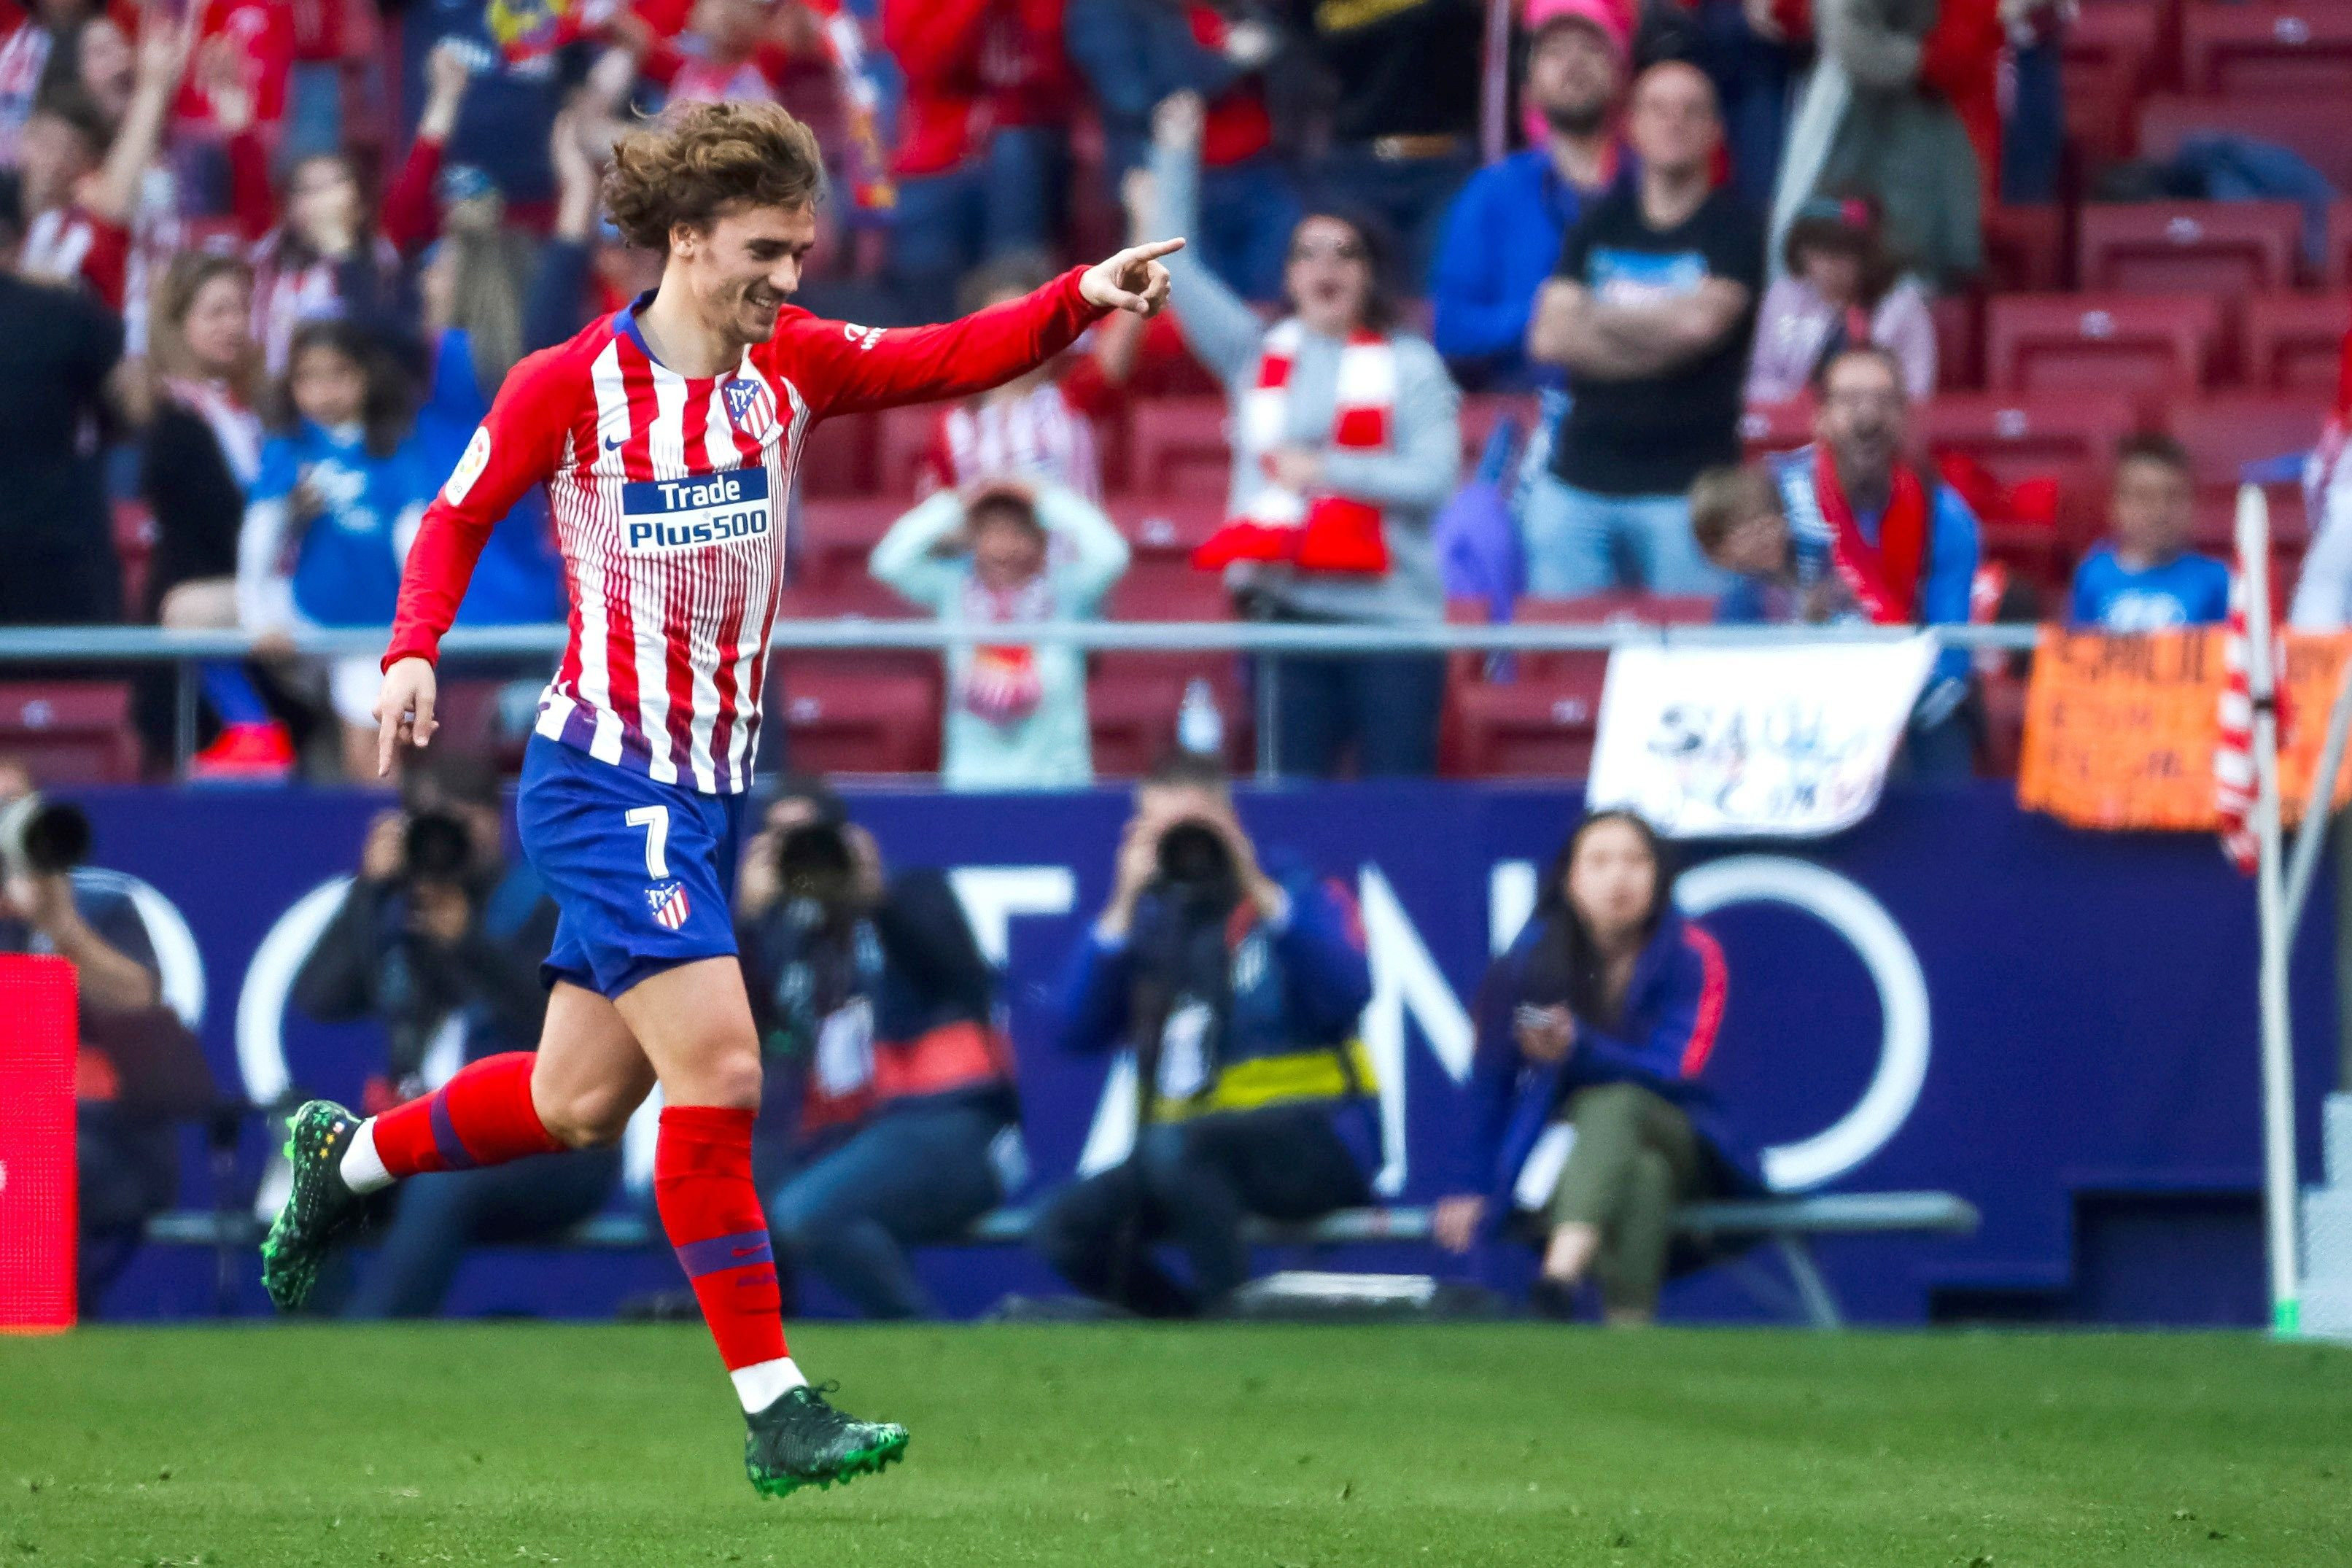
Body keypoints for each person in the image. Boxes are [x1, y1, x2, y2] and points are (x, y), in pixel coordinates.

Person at [255, 98, 1180, 1497]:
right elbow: (452, 515)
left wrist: (1077, 299)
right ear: (684, 241)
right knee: (727, 1069)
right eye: (765, 249)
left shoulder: (790, 365)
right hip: (603, 771)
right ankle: (775, 1403)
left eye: (801, 251)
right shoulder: (568, 385)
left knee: (576, 1103)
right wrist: (408, 653)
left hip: (709, 791)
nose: (790, 279)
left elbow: (944, 357)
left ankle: (350, 1159)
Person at [1149, 90, 1461, 778]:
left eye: (1344, 253)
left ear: (1369, 272)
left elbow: (1433, 481)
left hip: (1395, 628)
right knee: (1289, 813)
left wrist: (1326, 470)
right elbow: (1173, 266)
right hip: (1286, 618)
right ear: (1289, 274)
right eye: (1309, 253)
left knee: (1397, 814)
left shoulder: (1413, 366)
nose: (1327, 267)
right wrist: (1176, 152)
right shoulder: (1253, 354)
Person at [1033, 751, 1378, 1317]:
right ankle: (1192, 1329)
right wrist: (1121, 902)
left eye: (1195, 830)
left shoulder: (1298, 889)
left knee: (1176, 1150)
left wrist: (1255, 885)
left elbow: (1349, 989)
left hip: (1315, 1139)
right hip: (1189, 1161)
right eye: (1162, 833)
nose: (1185, 848)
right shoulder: (1151, 924)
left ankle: (1228, 1325)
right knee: (1061, 1229)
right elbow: (1074, 1032)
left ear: (1233, 823)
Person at [292, 753, 617, 1318]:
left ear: (495, 822)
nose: (443, 844)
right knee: (319, 1179)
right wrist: (367, 891)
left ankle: (370, 1352)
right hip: (431, 1132)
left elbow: (563, 1023)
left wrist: (469, 942)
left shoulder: (546, 902)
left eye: (459, 825)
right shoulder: (401, 912)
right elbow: (319, 1000)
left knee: (441, 1182)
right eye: (429, 826)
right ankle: (325, 1345)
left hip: (551, 1145)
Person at [1432, 810, 1756, 1324]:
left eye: (1635, 861)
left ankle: (1557, 1280)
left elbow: (1674, 1071)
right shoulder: (1528, 959)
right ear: (1569, 879)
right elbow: (1489, 1078)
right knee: (1644, 1178)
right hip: (1570, 1154)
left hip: (1679, 1135)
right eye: (1599, 862)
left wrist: (1576, 1047)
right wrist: (1471, 1183)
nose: (1618, 878)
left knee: (1615, 1102)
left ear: (1660, 876)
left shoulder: (1693, 954)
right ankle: (1628, 1333)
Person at [735, 783, 1022, 1319]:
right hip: (848, 1136)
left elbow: (964, 980)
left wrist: (874, 897)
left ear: (849, 838)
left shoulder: (912, 894)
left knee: (802, 1212)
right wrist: (748, 924)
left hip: (949, 1123)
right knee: (723, 1193)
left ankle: (931, 1342)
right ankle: (770, 1359)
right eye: (781, 842)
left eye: (812, 839)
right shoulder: (788, 936)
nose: (802, 855)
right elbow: (751, 1032)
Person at [1525, 62, 1762, 598]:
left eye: (1690, 110)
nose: (1673, 122)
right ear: (1631, 125)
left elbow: (1701, 326)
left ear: (1714, 130)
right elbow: (1549, 339)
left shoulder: (1738, 230)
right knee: (1562, 664)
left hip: (1688, 492)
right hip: (1576, 485)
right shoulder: (1598, 224)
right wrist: (1665, 331)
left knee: (1693, 671)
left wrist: (1595, 316)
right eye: (1657, 108)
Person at [0, 756, 182, 1311]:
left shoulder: (103, 908)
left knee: (48, 1159)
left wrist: (61, 927)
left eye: (14, 806)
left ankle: (48, 1332)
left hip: (104, 1138)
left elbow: (137, 1000)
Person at [1763, 344, 1982, 773]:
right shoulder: (1775, 498)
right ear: (1819, 416)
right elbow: (1740, 620)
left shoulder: (1946, 516)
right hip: (1793, 695)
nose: (1868, 419)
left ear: (1905, 416)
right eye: (1849, 401)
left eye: (1883, 402)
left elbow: (1950, 652)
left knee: (1949, 734)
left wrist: (1880, 711)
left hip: (1907, 700)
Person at [236, 319, 438, 780]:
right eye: (308, 377)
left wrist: (417, 629)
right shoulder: (288, 447)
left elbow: (415, 542)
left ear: (366, 377)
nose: (323, 390)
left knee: (373, 759)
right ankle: (247, 728)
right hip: (304, 617)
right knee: (188, 613)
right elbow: (259, 538)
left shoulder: (394, 448)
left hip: (372, 631)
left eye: (338, 374)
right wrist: (259, 618)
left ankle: (386, 844)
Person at [871, 478, 1130, 790]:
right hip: (972, 782)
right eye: (991, 532)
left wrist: (1045, 496)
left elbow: (1113, 555)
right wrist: (957, 504)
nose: (1003, 549)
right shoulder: (952, 590)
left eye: (1018, 532)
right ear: (972, 539)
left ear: (1041, 540)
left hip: (1058, 782)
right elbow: (887, 563)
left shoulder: (1066, 591)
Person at [1429, 0, 1631, 393]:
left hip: (1642, 406)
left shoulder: (1651, 184)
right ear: (1528, 89)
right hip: (1527, 409)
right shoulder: (1492, 193)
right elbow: (1451, 328)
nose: (1574, 63)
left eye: (1591, 49)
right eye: (1555, 52)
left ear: (1621, 78)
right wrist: (1545, 317)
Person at [1063, 0, 1295, 301]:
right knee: (1191, 293)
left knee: (1267, 294)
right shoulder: (1105, 9)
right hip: (1174, 176)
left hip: (1257, 166)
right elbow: (1135, 94)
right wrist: (1228, 60)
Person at [881, 0, 1072, 321]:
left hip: (1018, 146)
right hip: (934, 156)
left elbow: (1053, 68)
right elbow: (921, 59)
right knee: (925, 311)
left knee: (1015, 295)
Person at [912, 252, 1146, 504]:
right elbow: (934, 516)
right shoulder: (953, 426)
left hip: (1067, 543)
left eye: (1028, 322)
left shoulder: (1076, 400)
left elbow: (1118, 346)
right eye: (1000, 324)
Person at [0, 167, 124, 626]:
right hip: (53, 550)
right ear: (16, 239)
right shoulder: (68, 313)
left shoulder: (66, 312)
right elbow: (127, 411)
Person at [1295, 0, 1486, 288]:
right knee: (1354, 305)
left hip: (1444, 163)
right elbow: (1301, 47)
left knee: (1440, 295)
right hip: (1354, 164)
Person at [1744, 193, 1936, 406]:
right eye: (1819, 252)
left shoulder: (1904, 308)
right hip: (1791, 427)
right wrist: (1797, 402)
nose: (1830, 266)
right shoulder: (1782, 297)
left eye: (1844, 254)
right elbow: (1756, 379)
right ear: (1800, 252)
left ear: (1868, 256)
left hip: (1873, 430)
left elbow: (1917, 392)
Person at [2067, 435, 2229, 632]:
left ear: (2192, 503)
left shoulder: (2215, 579)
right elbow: (2077, 652)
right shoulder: (2093, 574)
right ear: (2116, 505)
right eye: (2144, 496)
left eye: (2172, 496)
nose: (2159, 512)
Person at [1688, 462, 1856, 625]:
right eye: (1744, 525)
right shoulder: (1739, 608)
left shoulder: (1825, 551)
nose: (1767, 529)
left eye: (1767, 511)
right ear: (1720, 552)